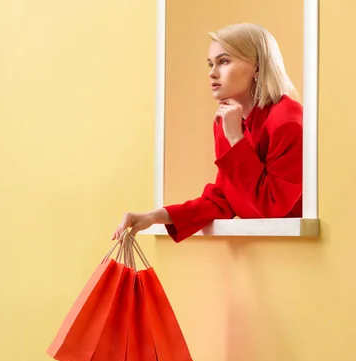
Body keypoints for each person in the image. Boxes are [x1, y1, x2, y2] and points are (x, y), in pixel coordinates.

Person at [112, 23, 303, 243]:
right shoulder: (228, 120)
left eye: (223, 61)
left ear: (258, 67)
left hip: (298, 253)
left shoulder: (287, 122)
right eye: (211, 64)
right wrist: (155, 216)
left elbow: (272, 209)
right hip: (261, 254)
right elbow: (225, 198)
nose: (212, 73)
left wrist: (236, 139)